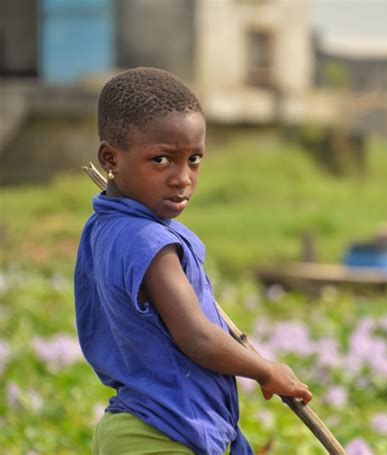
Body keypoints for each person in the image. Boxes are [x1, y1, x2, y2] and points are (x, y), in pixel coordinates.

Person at [74, 67, 312, 455]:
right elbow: (197, 338)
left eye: (195, 159)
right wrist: (267, 371)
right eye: (162, 160)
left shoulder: (103, 226)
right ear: (109, 158)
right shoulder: (147, 241)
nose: (182, 178)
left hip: (142, 427)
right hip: (160, 434)